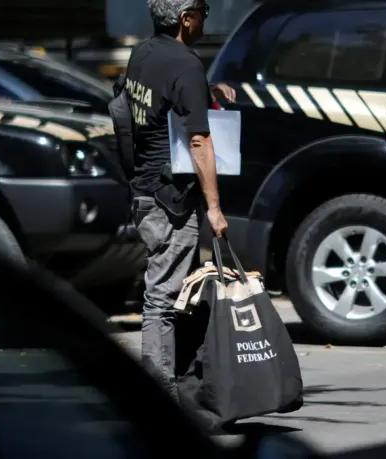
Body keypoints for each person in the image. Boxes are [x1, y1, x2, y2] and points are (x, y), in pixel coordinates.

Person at [125, 0, 235, 403]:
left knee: (178, 295)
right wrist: (214, 207)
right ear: (186, 18)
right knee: (163, 299)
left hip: (144, 191)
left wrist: (207, 93)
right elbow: (198, 140)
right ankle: (161, 397)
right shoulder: (187, 64)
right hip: (170, 199)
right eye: (203, 10)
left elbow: (160, 96)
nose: (206, 17)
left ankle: (184, 385)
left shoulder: (143, 53)